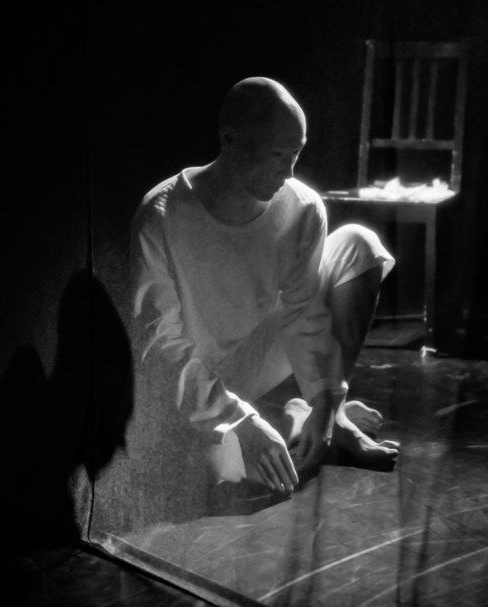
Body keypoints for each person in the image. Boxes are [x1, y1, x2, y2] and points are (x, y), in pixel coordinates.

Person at [131, 76, 399, 496]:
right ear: (230, 138)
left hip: (255, 359)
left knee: (358, 245)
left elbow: (305, 317)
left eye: (296, 153)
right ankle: (289, 419)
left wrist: (326, 402)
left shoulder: (302, 206)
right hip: (195, 379)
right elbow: (160, 348)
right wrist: (240, 420)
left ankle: (328, 417)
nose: (289, 171)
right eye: (278, 154)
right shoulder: (161, 215)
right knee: (227, 478)